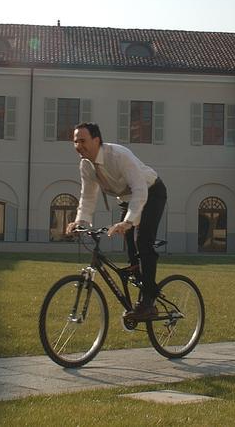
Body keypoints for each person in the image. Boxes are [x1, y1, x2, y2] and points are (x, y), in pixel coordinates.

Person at [66, 122, 167, 322]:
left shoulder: (119, 155)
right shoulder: (86, 164)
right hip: (128, 199)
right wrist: (80, 221)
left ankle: (148, 302)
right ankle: (137, 273)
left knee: (143, 242)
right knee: (129, 244)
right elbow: (87, 196)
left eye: (83, 141)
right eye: (75, 141)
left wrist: (128, 222)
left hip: (151, 192)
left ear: (96, 140)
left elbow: (140, 189)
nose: (78, 145)